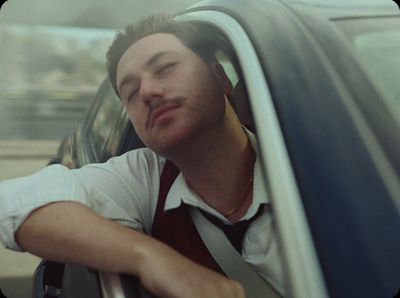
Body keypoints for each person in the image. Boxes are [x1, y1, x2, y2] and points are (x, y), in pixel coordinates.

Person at [0, 14, 285, 298]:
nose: (147, 91)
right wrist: (153, 258)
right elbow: (12, 202)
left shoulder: (305, 165)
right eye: (131, 91)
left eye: (165, 68)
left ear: (220, 78)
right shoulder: (147, 176)